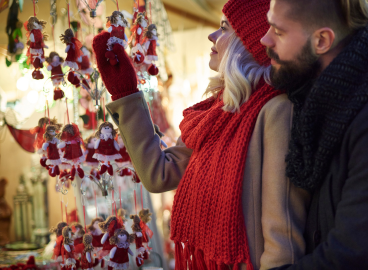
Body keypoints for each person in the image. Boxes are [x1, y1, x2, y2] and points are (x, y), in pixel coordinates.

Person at [92, 0, 310, 269]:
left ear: (250, 43)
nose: (212, 35)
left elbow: (282, 236)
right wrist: (125, 94)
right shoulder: (215, 113)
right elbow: (159, 174)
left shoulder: (277, 111)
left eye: (224, 28)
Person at [261, 0, 368, 269]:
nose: (265, 39)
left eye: (278, 31)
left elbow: (349, 259)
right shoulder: (325, 96)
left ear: (322, 41)